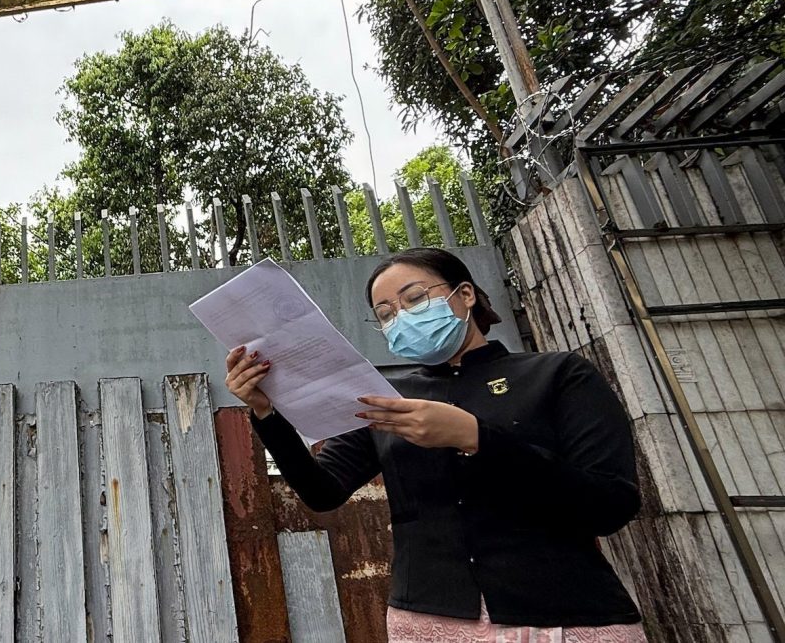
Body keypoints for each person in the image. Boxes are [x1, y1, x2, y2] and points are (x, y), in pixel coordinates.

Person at [224, 247, 647, 641]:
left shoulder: (558, 374)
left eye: (414, 299)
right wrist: (266, 412)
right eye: (386, 314)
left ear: (465, 295)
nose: (401, 317)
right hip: (428, 620)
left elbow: (611, 504)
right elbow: (322, 491)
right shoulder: (386, 397)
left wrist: (475, 437)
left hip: (566, 615)